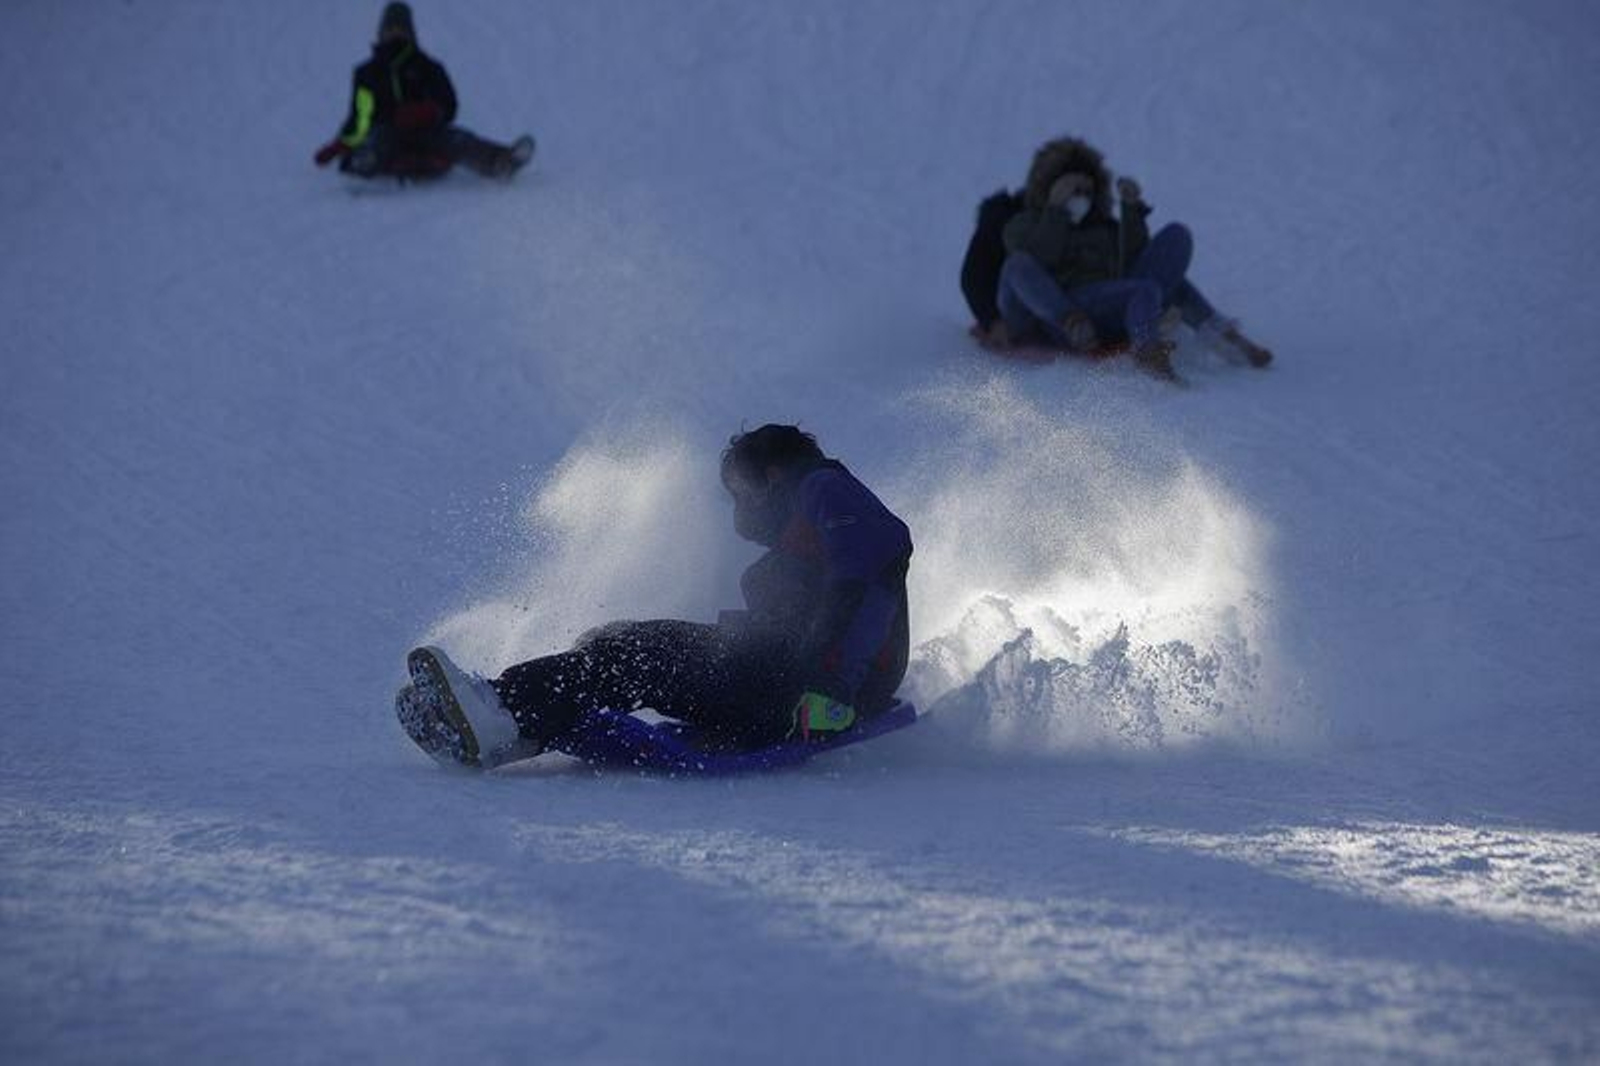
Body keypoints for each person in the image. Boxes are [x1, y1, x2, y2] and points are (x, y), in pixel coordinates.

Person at [397, 425, 915, 770]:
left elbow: (876, 559)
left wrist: (834, 691)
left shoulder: (822, 486)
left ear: (772, 473)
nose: (740, 510)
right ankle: (516, 730)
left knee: (634, 655)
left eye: (739, 491)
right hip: (791, 680)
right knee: (619, 641)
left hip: (805, 687)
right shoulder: (804, 530)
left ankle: (497, 713)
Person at [968, 136, 1273, 375]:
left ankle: (1223, 337)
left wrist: (1131, 209)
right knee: (1017, 265)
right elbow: (1040, 261)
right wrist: (1056, 212)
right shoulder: (1023, 224)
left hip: (1104, 309)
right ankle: (1139, 346)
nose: (1081, 199)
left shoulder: (1102, 227)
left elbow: (1133, 260)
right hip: (1055, 313)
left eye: (1087, 191)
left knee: (1175, 242)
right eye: (1072, 190)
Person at [313, 3, 534, 181]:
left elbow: (449, 105)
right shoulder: (367, 73)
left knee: (457, 139)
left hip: (425, 131)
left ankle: (501, 161)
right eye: (390, 29)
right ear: (381, 33)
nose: (395, 34)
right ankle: (365, 161)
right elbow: (360, 118)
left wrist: (429, 111)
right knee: (376, 141)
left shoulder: (427, 66)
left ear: (411, 33)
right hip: (386, 131)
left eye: (401, 29)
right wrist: (339, 144)